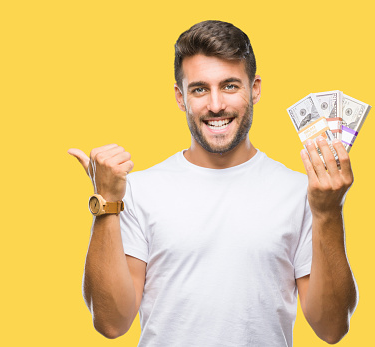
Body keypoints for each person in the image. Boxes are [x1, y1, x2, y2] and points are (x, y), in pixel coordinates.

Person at [68, 20, 358, 346]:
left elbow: (332, 328)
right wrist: (106, 204)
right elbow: (111, 322)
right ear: (180, 97)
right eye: (200, 89)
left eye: (230, 86)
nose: (216, 104)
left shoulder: (299, 193)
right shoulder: (137, 190)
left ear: (256, 88)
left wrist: (328, 212)